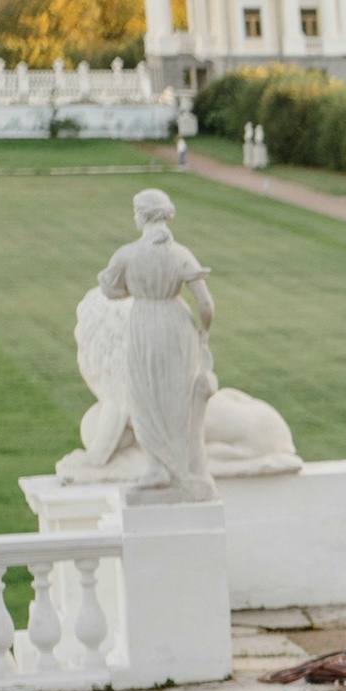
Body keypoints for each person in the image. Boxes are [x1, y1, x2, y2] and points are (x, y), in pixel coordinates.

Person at [96, 189, 217, 504]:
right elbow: (206, 304)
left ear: (143, 215)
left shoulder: (127, 254)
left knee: (145, 395)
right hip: (178, 324)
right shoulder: (181, 254)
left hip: (146, 323)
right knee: (177, 397)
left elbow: (111, 290)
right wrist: (203, 333)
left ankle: (159, 467)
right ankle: (180, 469)